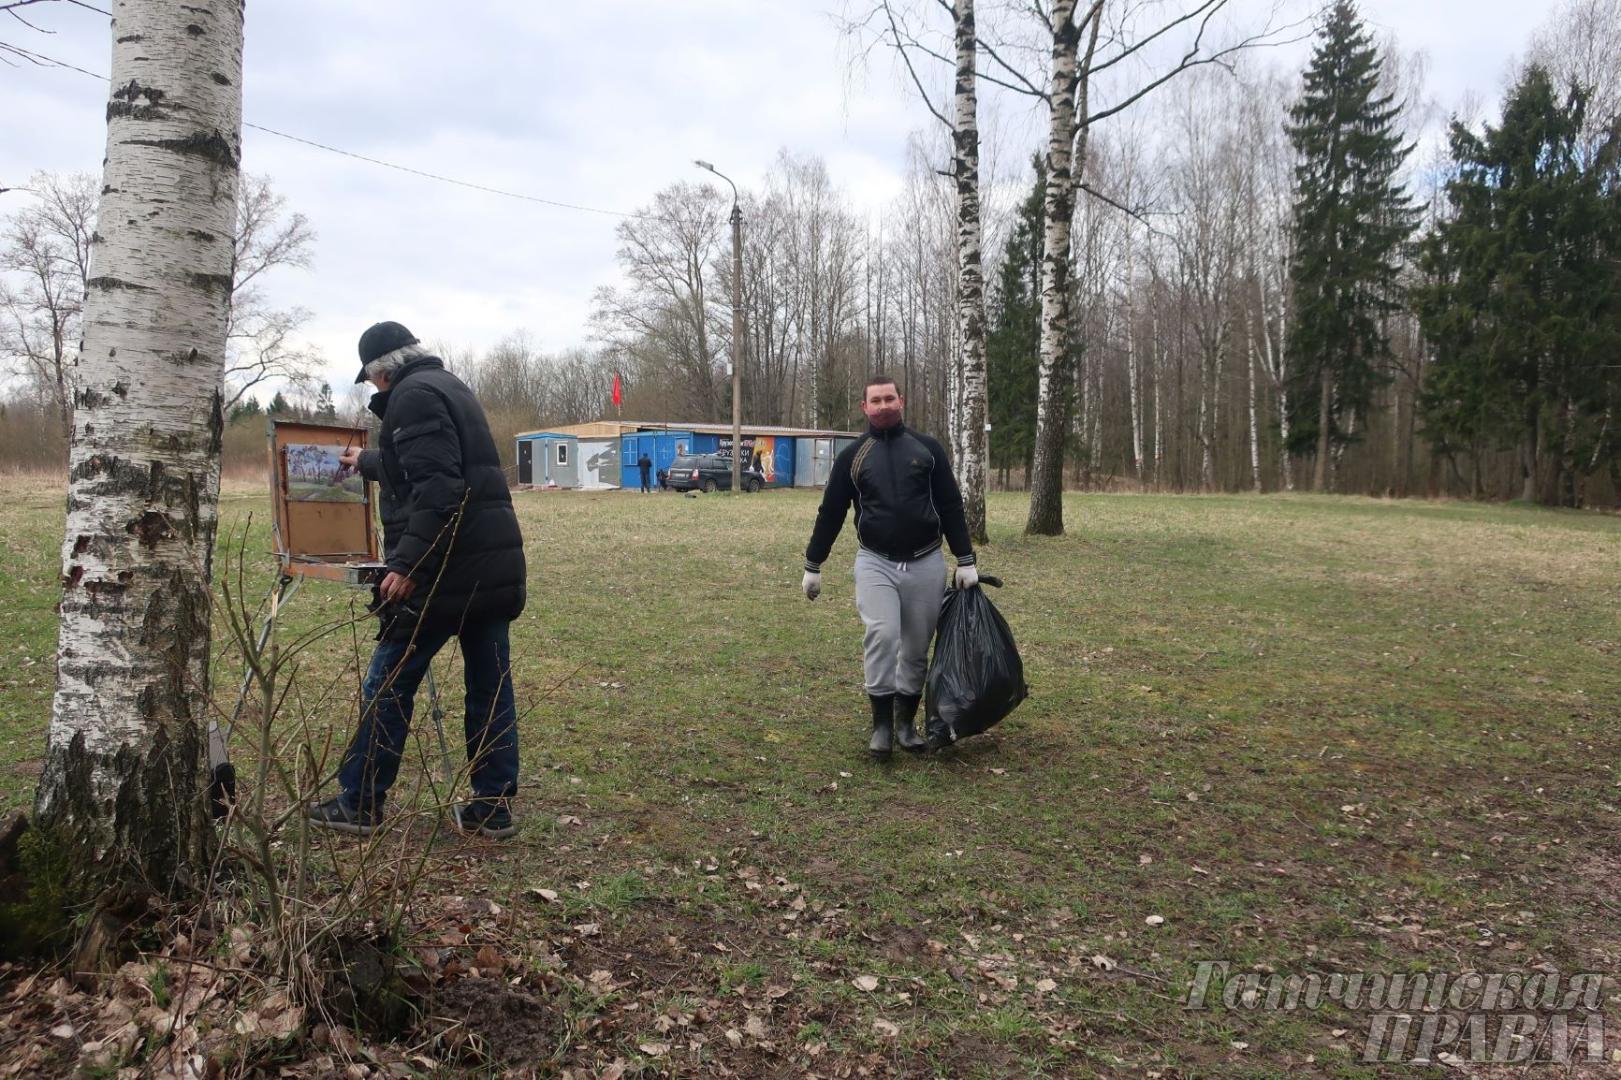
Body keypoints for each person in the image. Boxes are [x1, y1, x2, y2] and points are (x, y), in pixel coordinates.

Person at [308, 320, 527, 839]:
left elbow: (439, 489)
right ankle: (491, 807)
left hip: (445, 575)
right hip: (490, 569)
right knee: (490, 688)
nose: (377, 391)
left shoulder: (411, 399)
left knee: (387, 683)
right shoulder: (449, 387)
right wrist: (366, 460)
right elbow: (426, 464)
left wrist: (406, 565)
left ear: (381, 372)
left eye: (373, 383)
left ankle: (360, 801)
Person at [802, 375, 979, 758]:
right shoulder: (853, 455)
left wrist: (966, 559)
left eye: (889, 399)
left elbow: (950, 506)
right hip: (875, 562)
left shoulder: (928, 450)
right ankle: (880, 726)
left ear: (902, 401)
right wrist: (813, 563)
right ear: (864, 408)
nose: (883, 406)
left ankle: (904, 725)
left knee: (916, 647)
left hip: (926, 562)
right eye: (875, 401)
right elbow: (831, 511)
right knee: (882, 636)